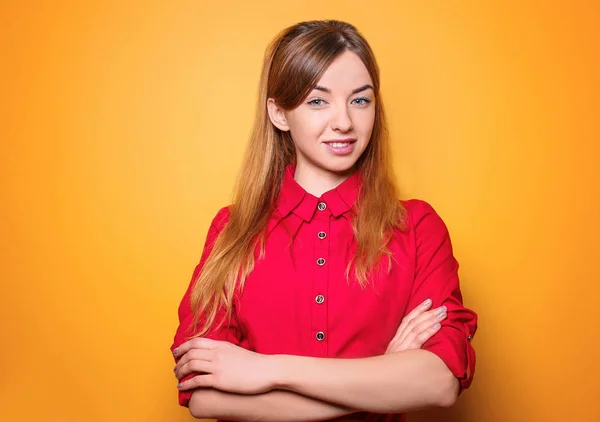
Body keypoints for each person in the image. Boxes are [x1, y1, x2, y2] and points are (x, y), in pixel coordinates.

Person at [171, 20, 477, 422]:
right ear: (279, 112)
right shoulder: (233, 230)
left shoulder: (418, 226)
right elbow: (204, 397)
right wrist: (383, 377)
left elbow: (438, 383)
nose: (344, 123)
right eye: (318, 101)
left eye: (360, 100)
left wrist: (266, 370)